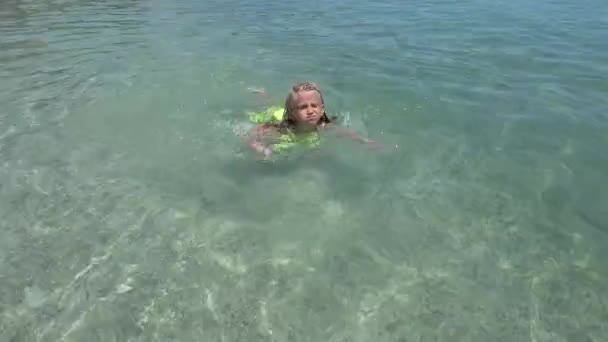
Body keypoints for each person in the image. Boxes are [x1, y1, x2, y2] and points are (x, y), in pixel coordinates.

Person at [246, 82, 382, 160]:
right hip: (277, 114)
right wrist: (260, 148)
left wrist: (365, 142)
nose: (310, 111)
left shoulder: (323, 125)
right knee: (267, 106)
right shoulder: (282, 129)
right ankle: (262, 94)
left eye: (314, 106)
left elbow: (345, 133)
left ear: (322, 109)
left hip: (288, 113)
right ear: (292, 114)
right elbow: (253, 135)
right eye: (303, 107)